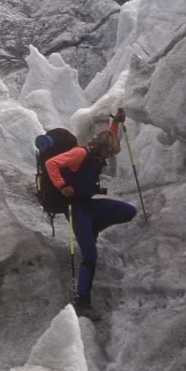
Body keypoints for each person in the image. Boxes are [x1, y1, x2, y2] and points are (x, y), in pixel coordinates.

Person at [44, 109, 136, 318]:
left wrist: (116, 124)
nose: (110, 157)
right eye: (109, 153)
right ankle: (82, 302)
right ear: (101, 148)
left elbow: (108, 135)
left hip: (88, 205)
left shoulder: (97, 152)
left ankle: (93, 227)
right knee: (90, 256)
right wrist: (62, 186)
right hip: (76, 209)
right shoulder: (80, 153)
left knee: (128, 211)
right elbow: (52, 164)